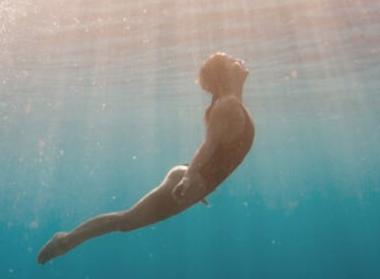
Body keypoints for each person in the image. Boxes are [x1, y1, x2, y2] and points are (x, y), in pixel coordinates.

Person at [37, 52, 254, 264]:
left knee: (127, 221)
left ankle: (68, 239)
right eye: (232, 61)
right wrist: (190, 179)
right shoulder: (228, 105)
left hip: (196, 181)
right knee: (126, 221)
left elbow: (227, 147)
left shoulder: (231, 102)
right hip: (190, 182)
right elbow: (208, 146)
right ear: (225, 73)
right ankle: (66, 240)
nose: (239, 60)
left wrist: (200, 179)